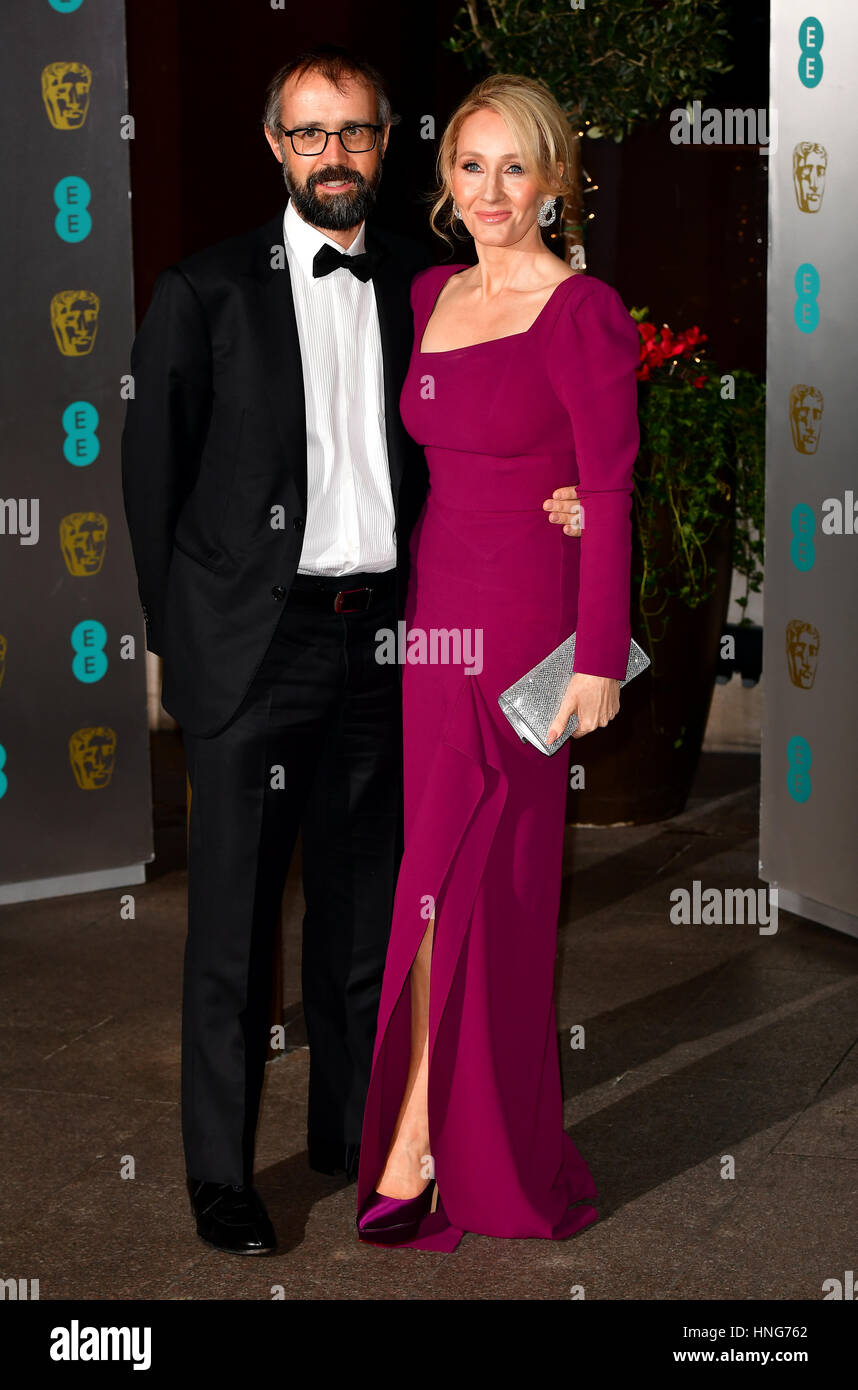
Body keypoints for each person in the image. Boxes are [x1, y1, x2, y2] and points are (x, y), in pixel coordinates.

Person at [121, 46, 583, 1256]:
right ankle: (222, 1175)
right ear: (277, 147)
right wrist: (186, 653)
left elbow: (496, 430)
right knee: (232, 933)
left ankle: (353, 1132)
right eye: (311, 134)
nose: (336, 156)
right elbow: (150, 483)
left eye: (359, 134)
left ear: (387, 147)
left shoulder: (425, 292)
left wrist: (570, 497)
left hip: (391, 644)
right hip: (249, 654)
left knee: (372, 918)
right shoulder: (203, 290)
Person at [357, 73, 641, 1250]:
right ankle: (430, 1125)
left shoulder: (585, 312)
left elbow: (612, 487)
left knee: (498, 892)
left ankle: (429, 1137)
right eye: (470, 167)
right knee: (431, 877)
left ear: (555, 181)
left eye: (513, 168)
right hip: (436, 630)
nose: (489, 191)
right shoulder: (428, 291)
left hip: (531, 636)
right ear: (445, 179)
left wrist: (596, 656)